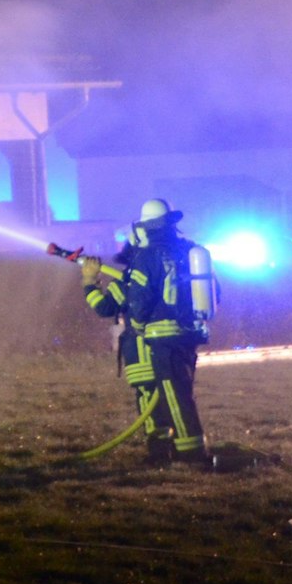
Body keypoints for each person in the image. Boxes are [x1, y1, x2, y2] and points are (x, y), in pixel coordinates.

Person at [81, 198, 210, 468]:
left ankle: (189, 455)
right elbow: (213, 292)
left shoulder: (147, 258)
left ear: (144, 229)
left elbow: (131, 304)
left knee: (167, 395)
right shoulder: (189, 252)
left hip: (157, 340)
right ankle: (166, 450)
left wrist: (89, 283)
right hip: (189, 334)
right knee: (171, 393)